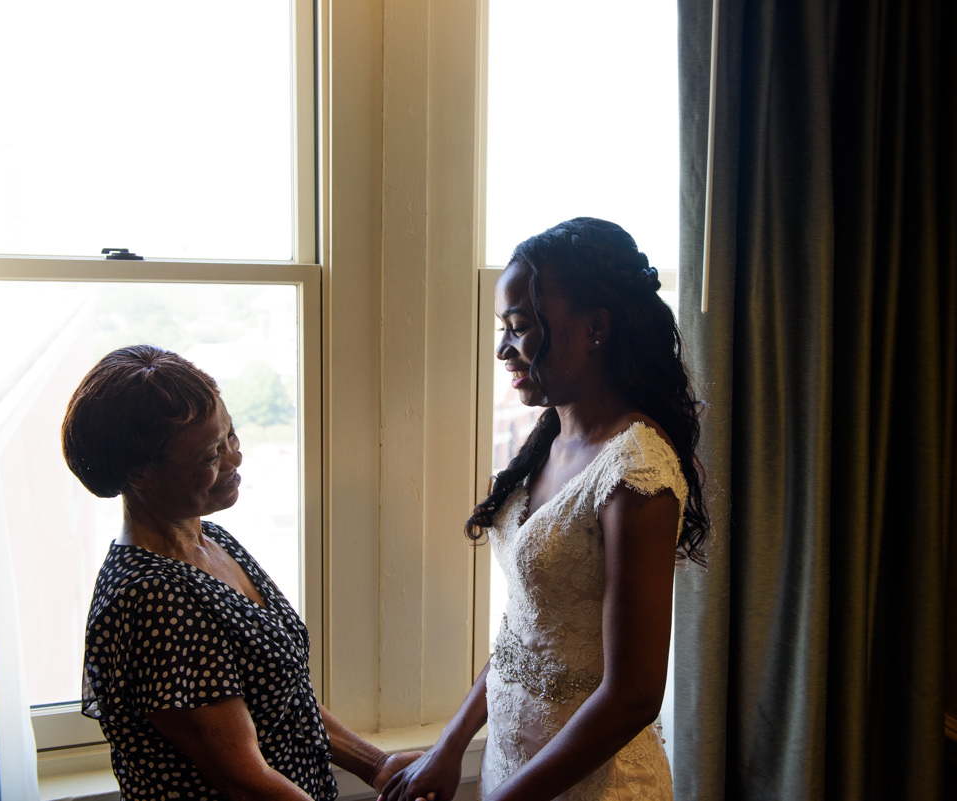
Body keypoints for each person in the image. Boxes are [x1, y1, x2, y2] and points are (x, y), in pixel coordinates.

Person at [379, 218, 709, 801]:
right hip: (515, 760)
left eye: (521, 327)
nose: (504, 349)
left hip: (594, 782)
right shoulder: (550, 439)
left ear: (596, 328)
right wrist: (450, 745)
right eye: (502, 328)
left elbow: (633, 695)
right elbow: (526, 635)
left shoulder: (637, 472)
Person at [63, 345, 419, 800]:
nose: (235, 459)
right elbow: (242, 779)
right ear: (141, 474)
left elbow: (283, 697)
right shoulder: (152, 599)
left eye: (230, 436)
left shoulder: (212, 540)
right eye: (211, 455)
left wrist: (379, 765)